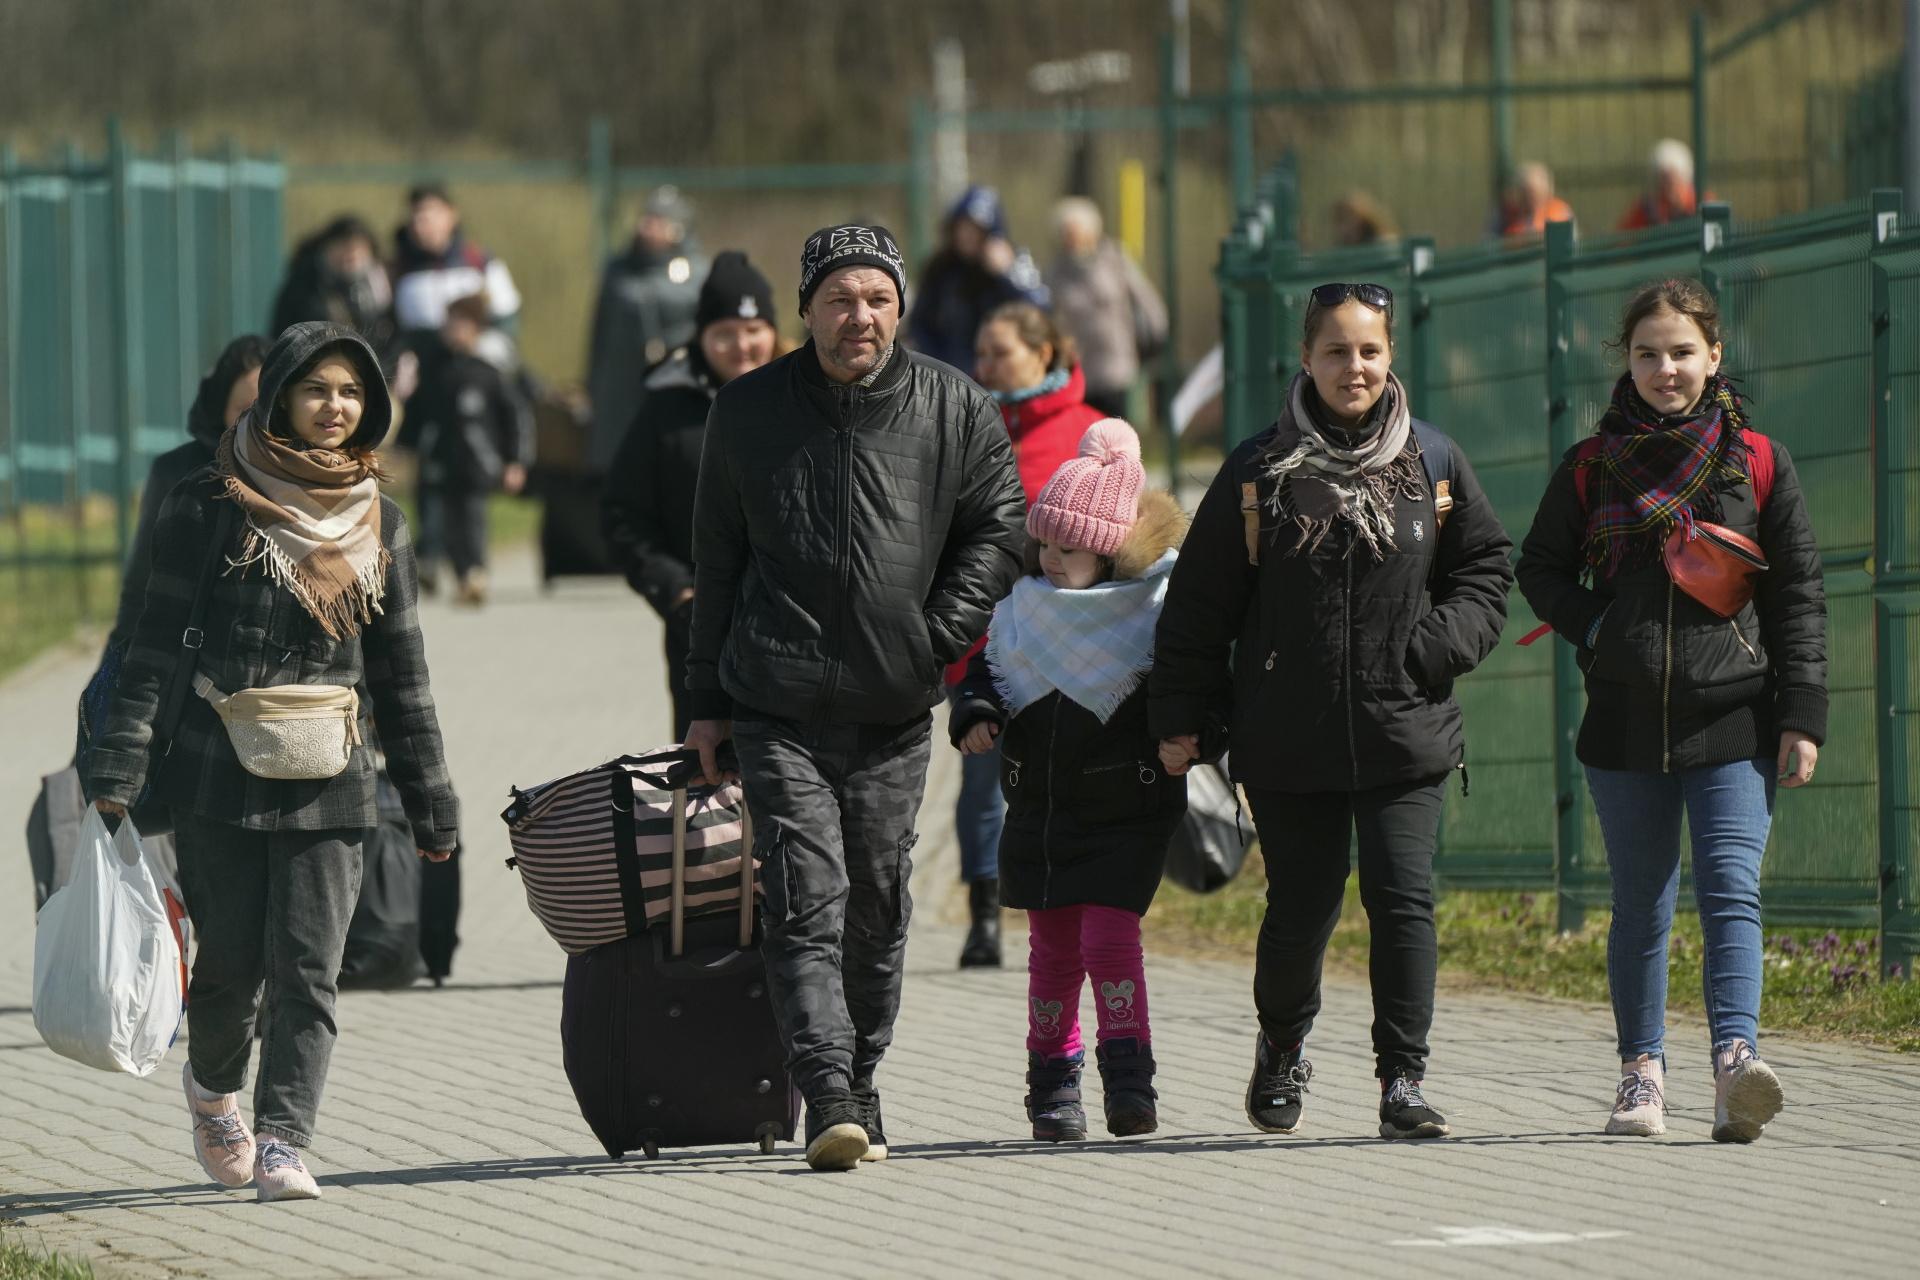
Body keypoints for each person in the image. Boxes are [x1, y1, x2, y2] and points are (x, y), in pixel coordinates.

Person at [85, 321, 460, 1201]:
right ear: (281, 396)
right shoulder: (207, 503)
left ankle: (288, 1139)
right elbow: (151, 647)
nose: (336, 407)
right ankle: (215, 1092)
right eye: (318, 389)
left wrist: (433, 804)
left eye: (352, 393)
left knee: (310, 968)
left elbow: (403, 676)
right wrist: (118, 768)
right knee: (230, 968)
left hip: (334, 776)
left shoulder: (381, 521)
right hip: (221, 771)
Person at [684, 224, 1026, 1171]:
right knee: (805, 895)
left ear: (901, 307)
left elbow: (1000, 528)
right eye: (839, 298)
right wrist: (704, 702)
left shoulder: (954, 407)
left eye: (876, 297)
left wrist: (939, 632)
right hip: (774, 702)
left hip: (892, 705)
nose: (859, 316)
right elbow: (718, 563)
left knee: (876, 900)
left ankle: (863, 1077)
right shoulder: (747, 413)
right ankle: (826, 1088)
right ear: (807, 310)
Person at [1150, 282, 1513, 1141]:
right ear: (1306, 361)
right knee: (1301, 910)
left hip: (1406, 727)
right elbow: (1199, 608)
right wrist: (1180, 718)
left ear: (1391, 358)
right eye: (1337, 351)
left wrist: (1436, 648)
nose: (1355, 367)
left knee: (1403, 899)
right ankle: (1281, 1046)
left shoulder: (1434, 462)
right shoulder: (1256, 473)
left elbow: (1488, 571)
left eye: (1371, 351)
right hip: (1288, 735)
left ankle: (1402, 1080)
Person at [1515, 278, 1825, 1143]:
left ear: (1714, 357)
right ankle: (1640, 1075)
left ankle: (1735, 1067)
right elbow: (1536, 568)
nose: (1665, 369)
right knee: (1641, 904)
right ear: (1628, 360)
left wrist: (1800, 714)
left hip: (1736, 719)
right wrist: (1600, 624)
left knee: (1732, 893)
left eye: (1683, 352)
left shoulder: (1757, 462)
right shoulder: (1590, 465)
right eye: (1648, 353)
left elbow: (1800, 595)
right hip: (1620, 726)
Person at [949, 419, 1188, 1142]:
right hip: (1042, 812)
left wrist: (1189, 735)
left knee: (1111, 943)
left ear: (1109, 549)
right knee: (1052, 952)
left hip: (1128, 808)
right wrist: (976, 713)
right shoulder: (1021, 610)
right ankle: (1053, 1084)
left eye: (1070, 547)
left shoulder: (1149, 614)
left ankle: (1129, 1082)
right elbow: (982, 673)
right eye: (1045, 543)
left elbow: (1188, 684)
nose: (1051, 559)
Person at [945, 301, 1105, 970]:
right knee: (982, 787)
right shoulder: (959, 424)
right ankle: (984, 916)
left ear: (1045, 354)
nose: (984, 366)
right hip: (982, 646)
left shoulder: (1090, 432)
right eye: (980, 353)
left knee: (1071, 783)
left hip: (1069, 650)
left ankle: (1076, 903)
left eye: (1000, 352)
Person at [602, 251, 779, 738]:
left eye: (753, 330)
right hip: (700, 634)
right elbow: (623, 513)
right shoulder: (665, 410)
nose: (742, 346)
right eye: (725, 334)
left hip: (797, 633)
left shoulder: (806, 397)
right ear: (700, 337)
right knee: (709, 786)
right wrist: (675, 590)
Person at [107, 335, 269, 649]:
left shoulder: (312, 479)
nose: (257, 426)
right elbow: (142, 588)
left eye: (268, 410)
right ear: (220, 408)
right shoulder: (177, 474)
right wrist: (114, 677)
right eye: (243, 411)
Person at [407, 292, 534, 605]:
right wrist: (405, 446)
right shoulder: (434, 371)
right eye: (449, 323)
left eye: (461, 324)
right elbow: (418, 413)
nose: (453, 330)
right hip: (438, 458)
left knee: (470, 519)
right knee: (434, 515)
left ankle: (474, 573)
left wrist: (516, 462)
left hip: (477, 461)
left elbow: (515, 418)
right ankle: (431, 563)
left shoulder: (488, 374)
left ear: (477, 328)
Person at [586, 186, 707, 474]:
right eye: (646, 218)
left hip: (674, 382)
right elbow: (599, 331)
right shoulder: (618, 270)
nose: (647, 227)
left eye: (658, 220)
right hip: (620, 388)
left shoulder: (699, 272)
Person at [1046, 198, 1168, 420]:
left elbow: (1145, 297)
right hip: (1080, 366)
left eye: (1077, 231)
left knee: (1119, 428)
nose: (1072, 238)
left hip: (1117, 362)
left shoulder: (1115, 258)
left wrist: (1157, 331)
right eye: (1067, 232)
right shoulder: (1056, 272)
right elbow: (1050, 315)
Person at [905, 185, 1049, 371]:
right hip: (954, 372)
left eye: (975, 230)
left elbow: (1040, 310)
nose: (966, 236)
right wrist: (940, 363)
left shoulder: (1016, 262)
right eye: (961, 228)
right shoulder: (941, 268)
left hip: (1004, 373)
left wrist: (1005, 275)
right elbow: (920, 323)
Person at [391, 184, 521, 371]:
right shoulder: (398, 270)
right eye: (417, 216)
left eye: (432, 214)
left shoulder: (480, 263)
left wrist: (473, 341)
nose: (424, 223)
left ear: (452, 214)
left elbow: (507, 321)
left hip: (476, 369)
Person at [271, 216, 396, 357]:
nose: (351, 254)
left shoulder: (380, 289)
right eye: (344, 246)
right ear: (326, 248)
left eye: (359, 248)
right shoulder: (305, 288)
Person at [1618, 139, 1703, 231]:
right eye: (1663, 179)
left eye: (1674, 179)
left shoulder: (1701, 203)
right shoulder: (1647, 208)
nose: (1669, 186)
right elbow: (1623, 239)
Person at [1496, 162, 1576, 240]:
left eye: (1536, 193)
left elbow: (1569, 243)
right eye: (1526, 193)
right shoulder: (1504, 215)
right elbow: (1489, 241)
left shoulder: (1560, 212)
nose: (1531, 199)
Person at [1331, 191, 1398, 246]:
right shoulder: (1341, 248)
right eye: (1340, 220)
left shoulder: (1382, 242)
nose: (1344, 227)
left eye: (1348, 218)